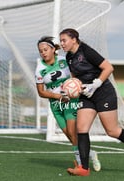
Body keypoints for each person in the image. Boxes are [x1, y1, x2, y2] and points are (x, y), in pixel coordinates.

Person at [59, 28, 124, 176]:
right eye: (61, 40)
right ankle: (84, 168)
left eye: (64, 40)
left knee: (112, 131)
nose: (62, 43)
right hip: (86, 95)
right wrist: (69, 89)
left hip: (103, 93)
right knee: (81, 129)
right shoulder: (68, 57)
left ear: (74, 39)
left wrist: (96, 84)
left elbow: (108, 67)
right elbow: (74, 78)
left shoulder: (87, 51)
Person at [35, 36, 101, 172]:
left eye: (46, 49)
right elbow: (41, 92)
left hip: (71, 101)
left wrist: (74, 89)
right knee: (70, 136)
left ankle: (80, 164)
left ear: (53, 49)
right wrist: (56, 96)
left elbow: (75, 75)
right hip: (56, 104)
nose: (43, 53)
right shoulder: (39, 69)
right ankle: (89, 154)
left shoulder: (64, 60)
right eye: (40, 51)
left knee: (72, 131)